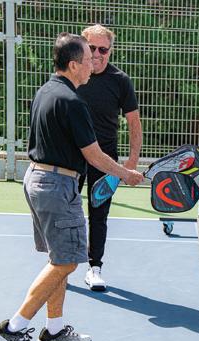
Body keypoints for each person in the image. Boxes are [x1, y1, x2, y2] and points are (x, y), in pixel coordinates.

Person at [0, 33, 143, 341]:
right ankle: (14, 328)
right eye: (88, 59)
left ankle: (55, 330)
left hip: (38, 180)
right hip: (57, 186)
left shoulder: (46, 90)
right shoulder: (73, 102)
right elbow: (94, 155)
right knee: (66, 262)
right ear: (74, 65)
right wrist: (126, 173)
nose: (94, 63)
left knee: (58, 259)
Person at [76, 24, 143, 291]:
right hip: (72, 158)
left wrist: (131, 163)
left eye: (103, 49)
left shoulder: (120, 81)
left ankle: (95, 267)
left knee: (99, 214)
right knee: (66, 210)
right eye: (92, 48)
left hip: (105, 159)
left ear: (110, 51)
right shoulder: (73, 76)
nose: (97, 54)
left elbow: (134, 123)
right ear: (83, 48)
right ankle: (58, 264)